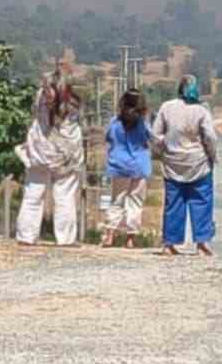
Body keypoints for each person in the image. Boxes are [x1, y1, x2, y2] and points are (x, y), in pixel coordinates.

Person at [150, 76, 218, 256]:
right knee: (202, 201)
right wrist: (212, 155)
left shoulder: (167, 107)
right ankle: (202, 242)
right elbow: (210, 137)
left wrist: (161, 151)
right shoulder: (202, 110)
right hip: (199, 163)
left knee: (174, 203)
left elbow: (156, 135)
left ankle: (169, 243)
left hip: (173, 163)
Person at [15, 75, 84, 246]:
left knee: (32, 195)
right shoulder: (73, 106)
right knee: (65, 197)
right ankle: (65, 238)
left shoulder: (40, 99)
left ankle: (26, 236)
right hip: (66, 156)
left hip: (39, 153)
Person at [101, 89, 152, 248]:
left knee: (117, 200)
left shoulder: (115, 122)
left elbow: (108, 137)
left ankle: (109, 235)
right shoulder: (143, 123)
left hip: (119, 166)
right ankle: (130, 238)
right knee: (135, 202)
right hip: (139, 166)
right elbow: (151, 137)